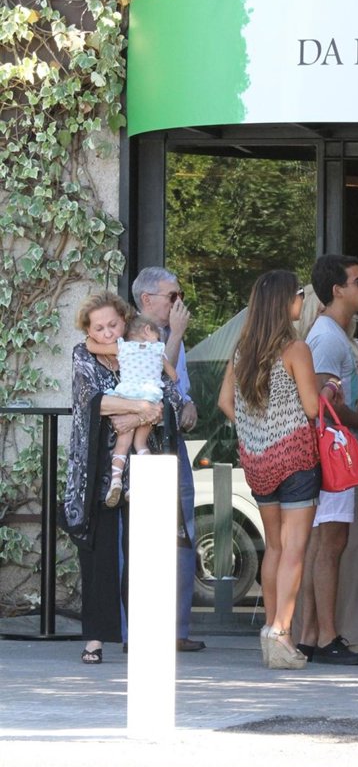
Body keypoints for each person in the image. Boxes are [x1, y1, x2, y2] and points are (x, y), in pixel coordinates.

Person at [218, 270, 323, 669]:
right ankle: (282, 632)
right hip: (295, 457)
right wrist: (328, 391)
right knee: (295, 548)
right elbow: (312, 409)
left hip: (258, 461)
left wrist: (254, 430)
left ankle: (273, 632)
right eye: (299, 294)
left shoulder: (243, 349)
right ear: (286, 302)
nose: (301, 300)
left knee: (274, 546)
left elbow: (226, 402)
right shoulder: (296, 349)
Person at [62, 292, 165, 663]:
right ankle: (95, 639)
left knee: (144, 553)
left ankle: (141, 635)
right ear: (88, 330)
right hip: (95, 470)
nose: (107, 332)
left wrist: (136, 416)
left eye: (113, 324)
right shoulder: (82, 355)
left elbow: (164, 397)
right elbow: (92, 400)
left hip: (140, 465)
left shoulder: (142, 346)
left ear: (125, 320)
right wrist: (139, 407)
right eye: (99, 327)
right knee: (99, 553)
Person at [298, 254, 358, 665]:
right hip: (331, 454)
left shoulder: (331, 333)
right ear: (336, 290)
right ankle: (327, 636)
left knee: (323, 543)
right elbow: (322, 402)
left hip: (330, 450)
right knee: (330, 542)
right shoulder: (328, 338)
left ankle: (311, 634)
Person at [130, 267, 206, 652]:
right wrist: (175, 335)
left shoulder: (173, 337)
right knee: (142, 540)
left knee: (182, 535)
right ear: (147, 300)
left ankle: (177, 629)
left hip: (173, 446)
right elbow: (155, 384)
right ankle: (138, 631)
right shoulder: (133, 335)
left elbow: (179, 388)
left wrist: (189, 404)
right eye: (172, 297)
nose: (180, 304)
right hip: (144, 448)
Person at [85, 313, 178, 506]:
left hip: (127, 397)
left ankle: (116, 481)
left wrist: (89, 335)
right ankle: (139, 485)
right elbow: (174, 376)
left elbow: (92, 347)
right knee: (141, 445)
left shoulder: (122, 347)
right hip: (149, 399)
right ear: (147, 330)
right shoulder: (158, 351)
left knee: (122, 444)